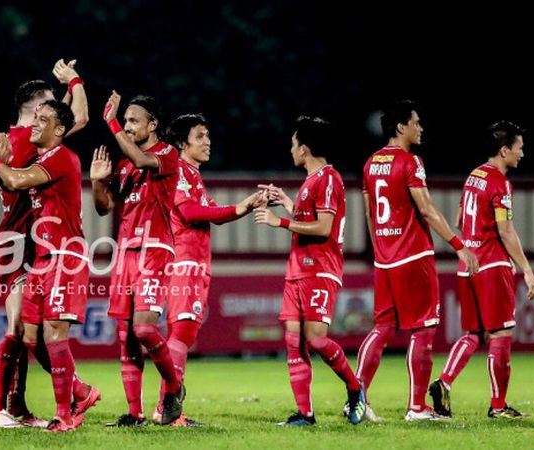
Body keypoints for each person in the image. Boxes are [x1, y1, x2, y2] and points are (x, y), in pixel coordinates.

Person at [0, 59, 98, 429]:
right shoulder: (23, 141)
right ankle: (0, 407)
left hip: (42, 246)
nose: (49, 115)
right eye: (47, 106)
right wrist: (75, 83)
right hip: (20, 242)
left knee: (33, 331)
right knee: (22, 329)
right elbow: (76, 117)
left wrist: (72, 85)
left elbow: (70, 118)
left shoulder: (45, 148)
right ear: (35, 113)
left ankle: (15, 406)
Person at [356, 100, 478, 421]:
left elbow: (370, 214)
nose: (420, 128)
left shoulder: (370, 164)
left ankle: (357, 399)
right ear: (401, 127)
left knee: (382, 328)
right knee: (423, 329)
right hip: (414, 256)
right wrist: (459, 244)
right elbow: (426, 209)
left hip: (385, 259)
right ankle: (417, 407)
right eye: (416, 122)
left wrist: (381, 248)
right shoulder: (411, 162)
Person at [150, 113, 262, 426]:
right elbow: (190, 212)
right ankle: (168, 409)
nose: (207, 141)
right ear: (182, 144)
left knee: (182, 333)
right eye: (200, 136)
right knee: (182, 332)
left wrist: (244, 205)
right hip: (184, 261)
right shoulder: (180, 173)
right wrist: (242, 207)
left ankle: (165, 408)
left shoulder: (193, 176)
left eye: (208, 135)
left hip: (196, 263)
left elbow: (212, 212)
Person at [254, 116, 367, 426]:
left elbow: (324, 228)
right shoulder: (310, 182)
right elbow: (310, 219)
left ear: (304, 149)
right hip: (296, 270)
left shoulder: (329, 178)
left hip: (320, 268)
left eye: (293, 145)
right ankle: (305, 413)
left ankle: (356, 388)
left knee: (316, 339)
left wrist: (282, 221)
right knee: (293, 340)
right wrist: (289, 204)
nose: (290, 150)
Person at [430, 121, 534, 419]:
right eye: (519, 149)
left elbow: (458, 219)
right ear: (504, 150)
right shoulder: (499, 183)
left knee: (474, 333)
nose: (522, 154)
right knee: (501, 333)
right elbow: (505, 231)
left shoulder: (473, 176)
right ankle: (498, 405)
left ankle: (444, 382)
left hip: (468, 265)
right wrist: (527, 270)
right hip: (492, 264)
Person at [91, 92, 185, 426]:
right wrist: (97, 181)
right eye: (126, 120)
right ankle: (135, 413)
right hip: (126, 251)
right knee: (127, 336)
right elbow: (104, 206)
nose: (128, 127)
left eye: (134, 121)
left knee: (145, 329)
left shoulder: (167, 154)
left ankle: (174, 387)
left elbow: (145, 161)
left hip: (155, 248)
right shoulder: (125, 164)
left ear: (153, 124)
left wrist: (112, 121)